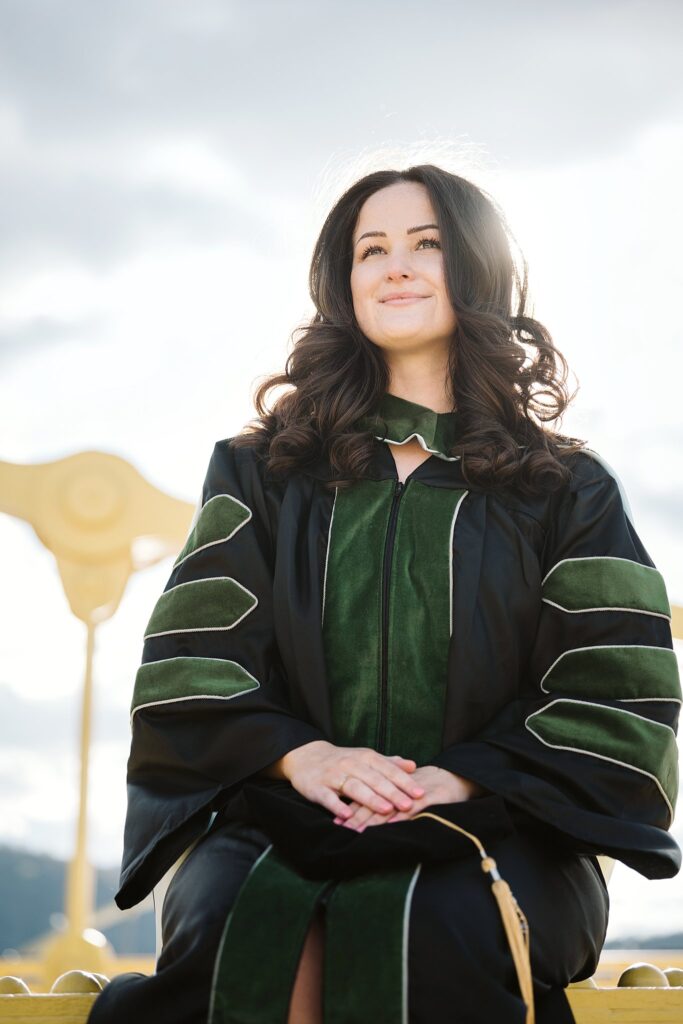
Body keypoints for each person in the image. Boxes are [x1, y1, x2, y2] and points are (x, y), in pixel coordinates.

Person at [88, 165, 681, 1024]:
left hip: (503, 824)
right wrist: (307, 759)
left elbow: (612, 687)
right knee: (244, 923)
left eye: (427, 243)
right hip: (281, 812)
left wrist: (462, 781)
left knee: (430, 923)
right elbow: (198, 663)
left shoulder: (562, 488)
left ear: (478, 270)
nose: (395, 265)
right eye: (372, 249)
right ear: (346, 282)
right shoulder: (264, 473)